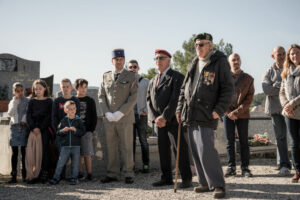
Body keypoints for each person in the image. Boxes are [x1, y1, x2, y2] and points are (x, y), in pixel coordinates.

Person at [176, 33, 234, 199]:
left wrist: (219, 109)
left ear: (210, 45)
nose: (198, 48)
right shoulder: (193, 63)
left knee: (207, 150)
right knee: (196, 150)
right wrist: (179, 109)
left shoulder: (219, 62)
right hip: (190, 113)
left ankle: (218, 185)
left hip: (208, 112)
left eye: (201, 44)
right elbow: (183, 89)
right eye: (196, 45)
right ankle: (203, 182)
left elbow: (228, 89)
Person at [147, 49, 192, 188]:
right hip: (159, 123)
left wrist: (164, 116)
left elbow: (176, 99)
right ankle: (166, 178)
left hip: (173, 121)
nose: (158, 61)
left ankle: (186, 179)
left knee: (179, 150)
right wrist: (155, 119)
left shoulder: (177, 77)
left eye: (161, 58)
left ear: (169, 60)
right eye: (156, 58)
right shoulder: (153, 80)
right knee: (163, 151)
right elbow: (149, 100)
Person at [98, 49, 137, 184]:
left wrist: (120, 113)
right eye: (116, 59)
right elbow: (101, 96)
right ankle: (112, 173)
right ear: (112, 61)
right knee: (111, 146)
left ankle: (128, 173)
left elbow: (133, 97)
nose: (119, 61)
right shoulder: (105, 76)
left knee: (126, 146)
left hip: (124, 118)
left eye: (121, 59)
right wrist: (107, 112)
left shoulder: (131, 76)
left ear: (124, 60)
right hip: (109, 119)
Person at [223, 53, 254, 178]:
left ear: (240, 61)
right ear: (229, 62)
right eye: (233, 60)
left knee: (243, 141)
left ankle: (245, 168)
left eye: (238, 59)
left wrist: (236, 112)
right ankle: (231, 167)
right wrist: (228, 112)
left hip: (243, 114)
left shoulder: (249, 79)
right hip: (227, 114)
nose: (236, 62)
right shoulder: (223, 78)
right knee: (229, 141)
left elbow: (249, 99)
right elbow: (221, 96)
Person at [262, 46, 291, 175]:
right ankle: (284, 164)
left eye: (284, 53)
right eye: (279, 54)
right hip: (275, 110)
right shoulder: (268, 72)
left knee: (294, 137)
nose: (282, 56)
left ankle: (286, 162)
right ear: (273, 56)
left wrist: (276, 86)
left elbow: (293, 90)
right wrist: (282, 88)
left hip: (290, 108)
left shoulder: (290, 69)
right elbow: (266, 89)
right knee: (280, 137)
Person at [49, 100, 85, 185]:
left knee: (75, 164)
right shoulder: (63, 121)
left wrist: (75, 130)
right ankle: (56, 178)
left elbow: (83, 131)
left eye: (73, 109)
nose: (72, 111)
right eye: (70, 109)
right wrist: (63, 130)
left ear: (76, 110)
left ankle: (74, 178)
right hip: (65, 146)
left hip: (76, 146)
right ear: (65, 110)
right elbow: (58, 132)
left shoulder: (78, 121)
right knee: (61, 163)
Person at [52, 78, 80, 179]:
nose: (65, 88)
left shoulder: (75, 100)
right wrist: (58, 131)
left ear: (71, 87)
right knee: (61, 156)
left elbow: (78, 116)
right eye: (63, 87)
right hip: (61, 133)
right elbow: (54, 117)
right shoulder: (57, 101)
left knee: (74, 157)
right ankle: (60, 176)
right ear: (60, 88)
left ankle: (74, 176)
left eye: (67, 86)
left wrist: (74, 130)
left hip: (73, 133)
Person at [279, 44, 300, 183]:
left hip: (297, 108)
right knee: (293, 143)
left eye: (297, 53)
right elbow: (281, 92)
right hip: (289, 113)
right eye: (292, 54)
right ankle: (298, 171)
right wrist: (286, 105)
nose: (294, 56)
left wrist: (292, 103)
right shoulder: (286, 71)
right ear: (289, 56)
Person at [26, 79, 53, 183]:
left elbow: (49, 116)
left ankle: (44, 174)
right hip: (32, 130)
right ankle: (33, 175)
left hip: (44, 130)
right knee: (31, 152)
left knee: (44, 152)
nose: (37, 90)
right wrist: (33, 127)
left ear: (45, 89)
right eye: (36, 89)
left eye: (40, 89)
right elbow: (28, 115)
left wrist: (40, 128)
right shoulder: (32, 101)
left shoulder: (49, 101)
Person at [127, 60, 150, 173]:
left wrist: (146, 111)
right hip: (129, 116)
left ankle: (146, 165)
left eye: (135, 66)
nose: (133, 68)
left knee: (143, 141)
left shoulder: (145, 81)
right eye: (130, 67)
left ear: (138, 68)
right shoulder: (125, 82)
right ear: (128, 69)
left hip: (141, 115)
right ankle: (132, 166)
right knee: (131, 142)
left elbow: (150, 98)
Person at [75, 78, 97, 181]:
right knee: (77, 153)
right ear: (76, 88)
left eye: (85, 87)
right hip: (75, 131)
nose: (84, 89)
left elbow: (94, 117)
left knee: (87, 153)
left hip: (87, 130)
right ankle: (79, 172)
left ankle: (90, 173)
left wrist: (91, 131)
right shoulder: (73, 100)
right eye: (81, 87)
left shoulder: (90, 100)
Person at [7, 82, 30, 183]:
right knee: (15, 152)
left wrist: (24, 119)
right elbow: (10, 113)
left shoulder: (28, 100)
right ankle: (14, 176)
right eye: (17, 91)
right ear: (14, 92)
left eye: (21, 90)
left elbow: (28, 112)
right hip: (14, 127)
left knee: (24, 152)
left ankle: (24, 175)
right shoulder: (12, 102)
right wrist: (15, 102)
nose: (20, 93)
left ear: (24, 90)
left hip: (24, 127)